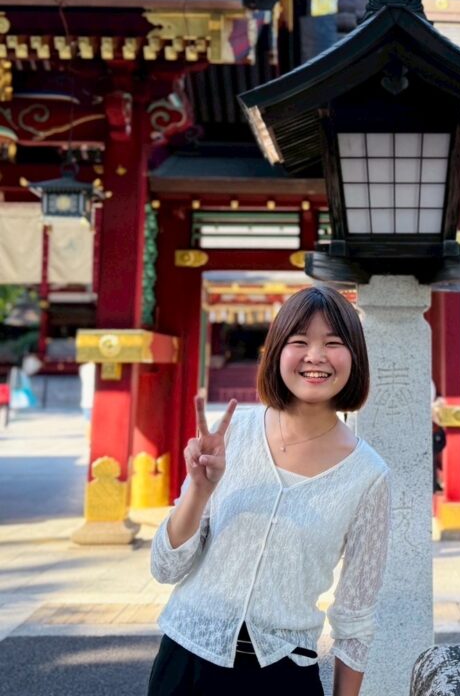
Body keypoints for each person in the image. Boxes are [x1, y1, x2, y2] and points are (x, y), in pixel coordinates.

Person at [148, 286, 390, 696]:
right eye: (300, 341)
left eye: (333, 343)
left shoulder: (368, 475)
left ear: (355, 358)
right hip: (186, 660)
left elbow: (356, 614)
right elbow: (164, 568)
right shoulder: (232, 435)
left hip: (283, 675)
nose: (315, 356)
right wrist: (199, 492)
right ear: (277, 351)